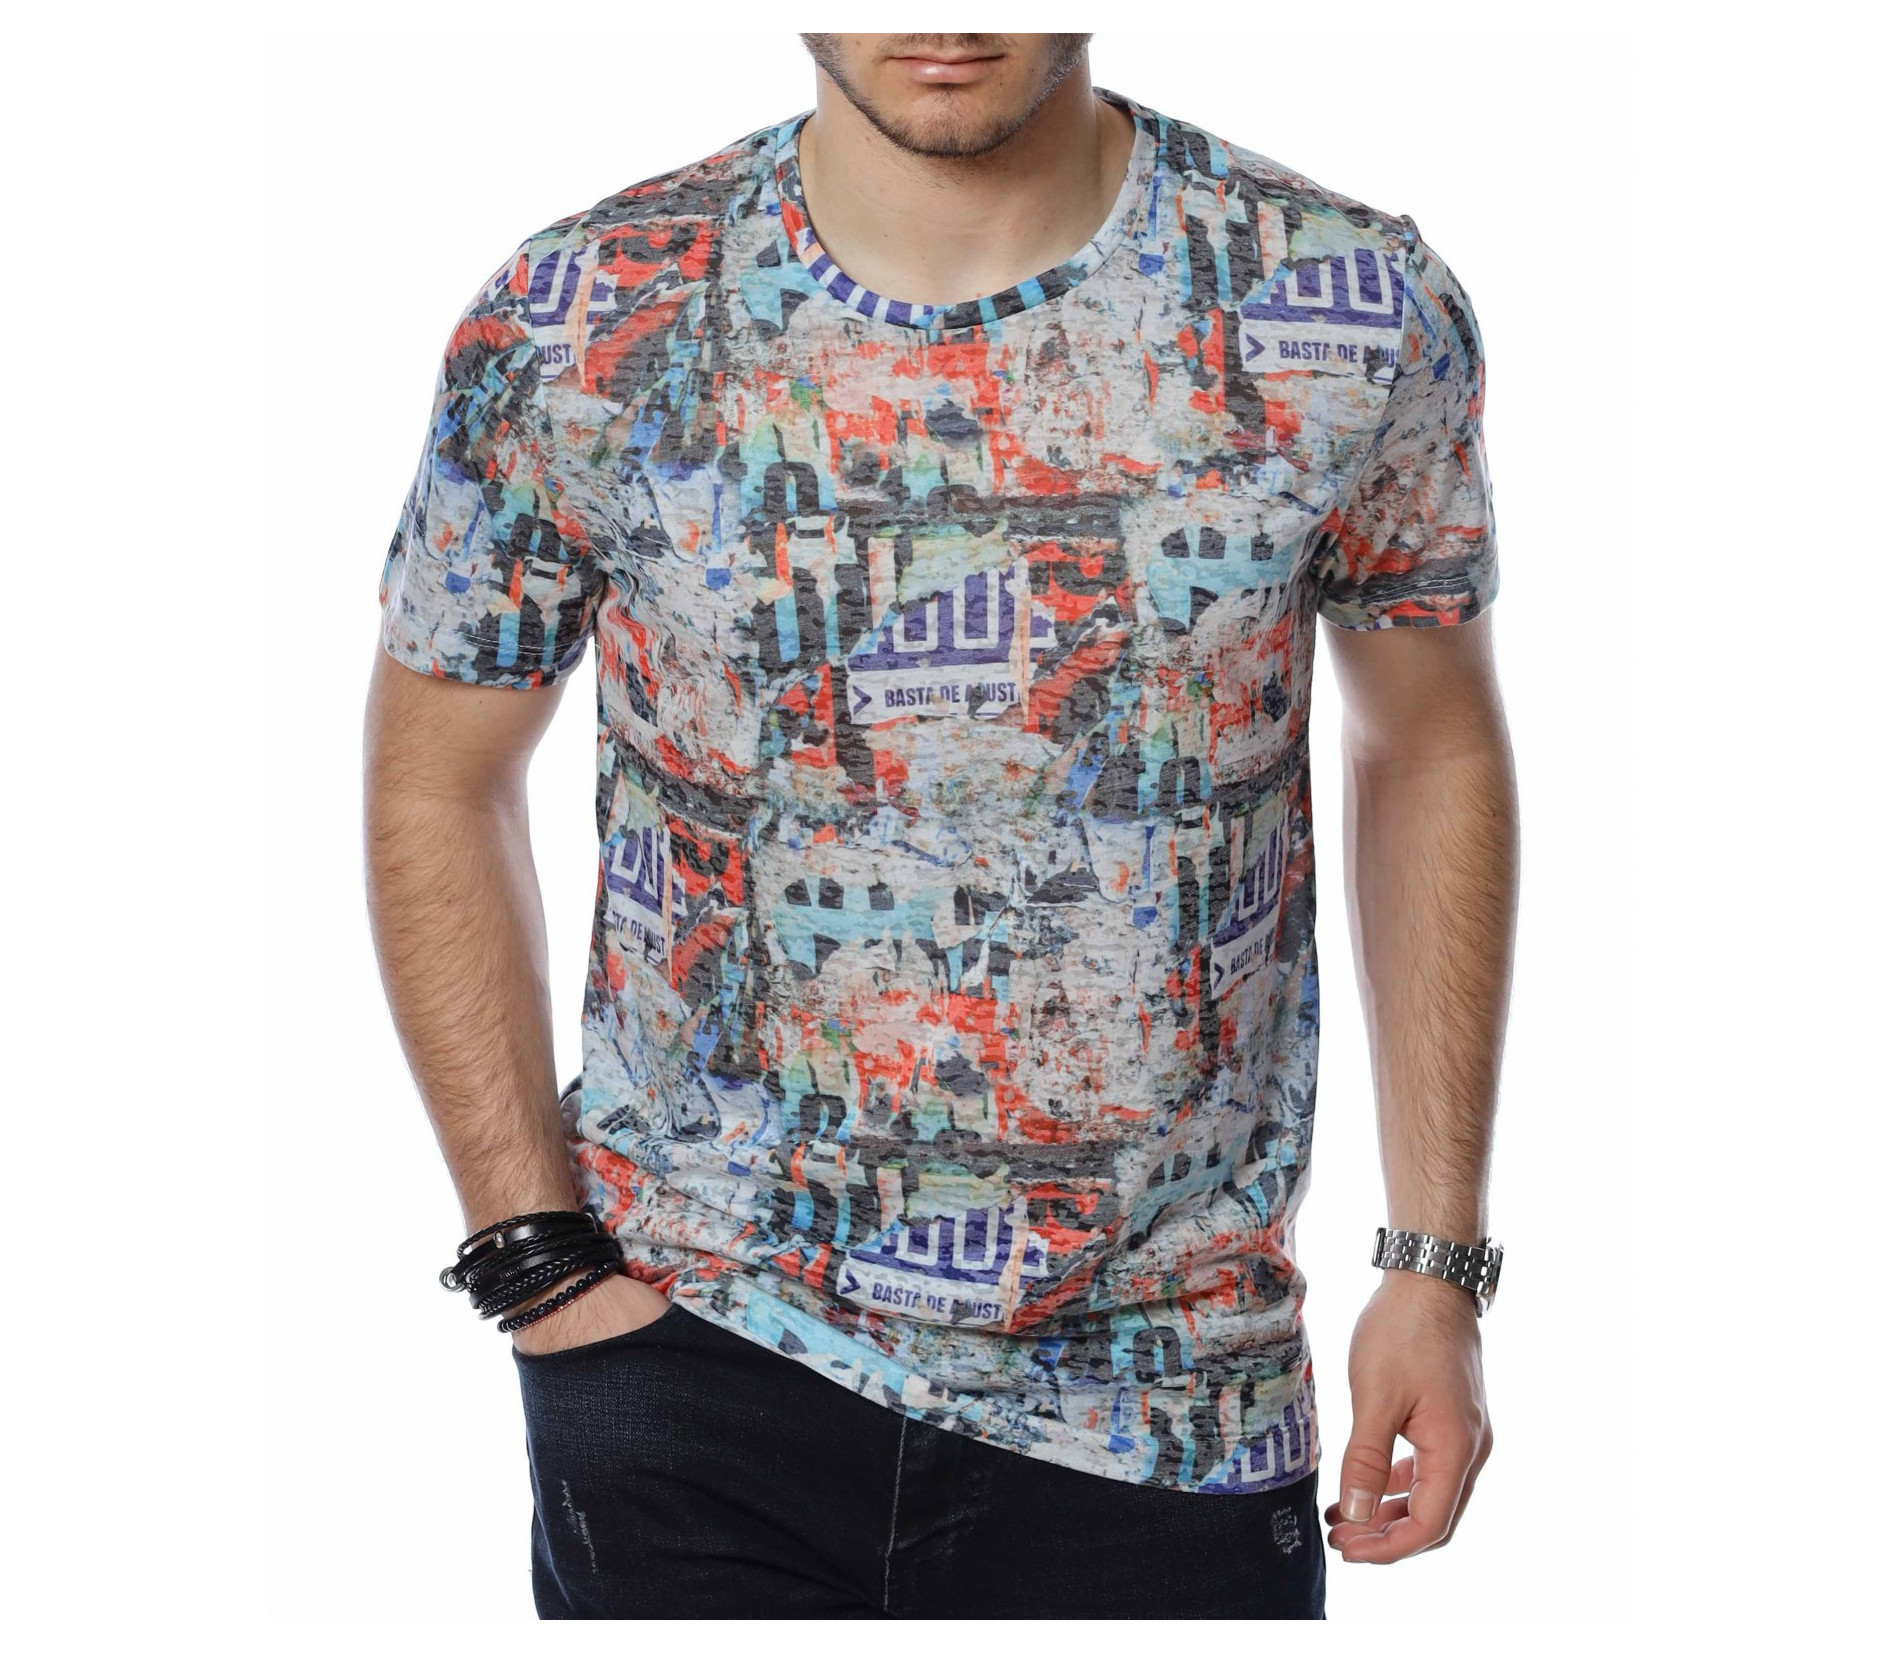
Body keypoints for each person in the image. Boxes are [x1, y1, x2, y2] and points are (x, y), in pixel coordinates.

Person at [364, 31, 1516, 1621]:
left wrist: (1436, 1266)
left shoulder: (1343, 307)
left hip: (1168, 1391)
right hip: (697, 1355)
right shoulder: (582, 316)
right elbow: (438, 769)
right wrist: (535, 1262)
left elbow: (1431, 747)